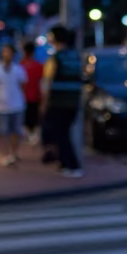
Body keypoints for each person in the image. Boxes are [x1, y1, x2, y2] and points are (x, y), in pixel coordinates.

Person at [41, 26, 83, 177]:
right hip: (73, 102)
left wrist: (44, 104)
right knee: (64, 133)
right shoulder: (76, 57)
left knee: (60, 134)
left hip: (57, 102)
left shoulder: (56, 58)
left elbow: (48, 83)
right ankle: (64, 163)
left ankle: (71, 165)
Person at [0, 44, 28, 166]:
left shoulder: (18, 69)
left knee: (16, 130)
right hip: (1, 105)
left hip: (17, 104)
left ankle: (14, 153)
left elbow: (23, 86)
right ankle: (6, 154)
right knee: (2, 131)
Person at [20, 42, 44, 145]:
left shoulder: (20, 66)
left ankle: (30, 137)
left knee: (25, 119)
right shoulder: (39, 66)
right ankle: (33, 137)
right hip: (36, 96)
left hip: (22, 97)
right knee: (34, 118)